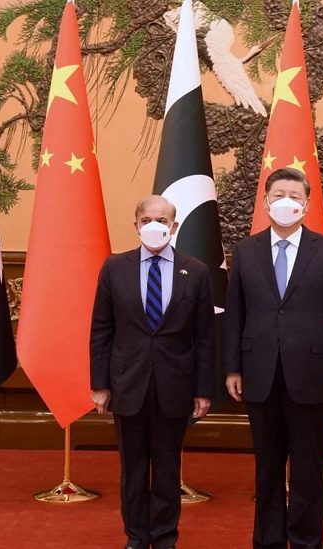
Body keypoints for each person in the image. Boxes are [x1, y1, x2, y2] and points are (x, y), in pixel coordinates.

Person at [224, 168, 323, 549]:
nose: (286, 201)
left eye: (294, 195)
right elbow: (236, 314)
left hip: (313, 374)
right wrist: (232, 366)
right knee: (266, 467)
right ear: (265, 201)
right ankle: (266, 541)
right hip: (259, 373)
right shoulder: (245, 250)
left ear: (306, 204)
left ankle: (306, 541)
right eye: (278, 193)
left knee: (309, 469)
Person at [90, 195, 215, 549]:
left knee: (166, 468)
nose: (154, 225)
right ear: (136, 225)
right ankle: (135, 535)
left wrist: (203, 389)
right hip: (127, 385)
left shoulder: (196, 270)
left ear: (174, 227)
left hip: (174, 386)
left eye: (162, 219)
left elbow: (205, 336)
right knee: (132, 468)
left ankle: (163, 536)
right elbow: (101, 329)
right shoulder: (114, 268)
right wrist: (99, 384)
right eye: (147, 219)